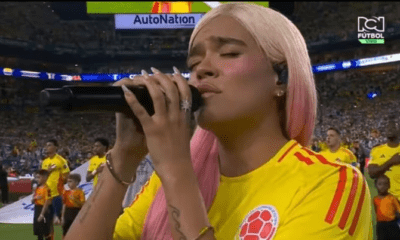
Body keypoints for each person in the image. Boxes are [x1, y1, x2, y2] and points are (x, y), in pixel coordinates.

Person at [65, 3, 372, 240]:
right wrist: (124, 155)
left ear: (283, 77)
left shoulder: (330, 184)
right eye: (194, 63)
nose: (202, 70)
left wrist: (175, 168)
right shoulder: (170, 180)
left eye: (228, 53)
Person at [41, 139, 70, 237]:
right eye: (46, 145)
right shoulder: (45, 161)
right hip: (47, 195)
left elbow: (66, 176)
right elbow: (42, 177)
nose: (47, 147)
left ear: (55, 147)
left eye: (49, 145)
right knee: (48, 220)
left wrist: (59, 184)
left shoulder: (61, 160)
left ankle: (64, 237)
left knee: (61, 219)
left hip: (57, 194)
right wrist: (48, 171)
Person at [368, 122, 400, 201]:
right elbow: (372, 173)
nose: (390, 129)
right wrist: (390, 162)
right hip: (385, 201)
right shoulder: (377, 150)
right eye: (388, 127)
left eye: (393, 127)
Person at [373, 174, 400, 240]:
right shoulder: (375, 199)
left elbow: (399, 211)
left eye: (385, 184)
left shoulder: (392, 198)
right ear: (376, 185)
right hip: (380, 225)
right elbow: (376, 211)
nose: (383, 186)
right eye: (380, 184)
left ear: (389, 186)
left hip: (392, 224)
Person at [61, 174, 85, 238]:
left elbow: (83, 204)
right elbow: (64, 204)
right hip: (67, 212)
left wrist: (75, 200)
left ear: (76, 182)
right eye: (68, 182)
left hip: (76, 212)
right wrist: (62, 217)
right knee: (65, 231)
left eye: (70, 181)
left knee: (75, 230)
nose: (68, 184)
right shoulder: (66, 192)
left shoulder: (80, 192)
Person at [32, 170, 53, 240]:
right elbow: (32, 201)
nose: (37, 179)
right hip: (37, 209)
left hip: (44, 210)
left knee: (45, 230)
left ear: (45, 177)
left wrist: (42, 214)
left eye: (39, 177)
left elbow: (47, 202)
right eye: (37, 178)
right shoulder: (37, 188)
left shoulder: (47, 189)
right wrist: (35, 198)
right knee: (38, 231)